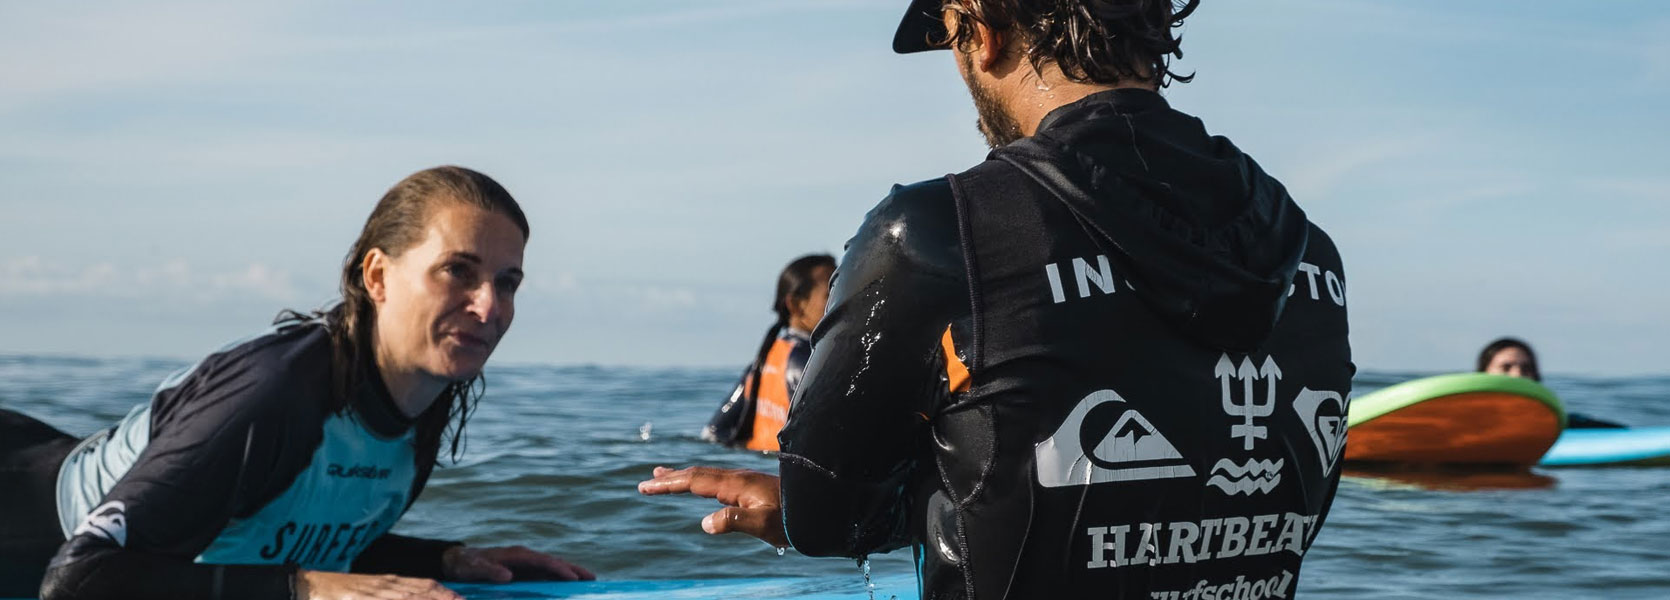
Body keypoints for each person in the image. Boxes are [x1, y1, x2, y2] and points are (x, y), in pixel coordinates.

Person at [641, 1, 1355, 598]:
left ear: (982, 29)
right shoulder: (1307, 252)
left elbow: (828, 519)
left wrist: (808, 505)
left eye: (948, 35)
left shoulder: (938, 233)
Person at [0, 166, 594, 600]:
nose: (489, 306)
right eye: (457, 272)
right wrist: (305, 590)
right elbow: (79, 579)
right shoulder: (274, 393)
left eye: (507, 282)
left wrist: (448, 559)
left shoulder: (427, 394)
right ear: (379, 276)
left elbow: (274, 530)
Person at [701, 254, 836, 451]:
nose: (842, 301)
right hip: (781, 473)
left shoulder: (764, 360)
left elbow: (712, 433)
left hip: (760, 467)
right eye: (830, 294)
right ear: (796, 305)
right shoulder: (808, 362)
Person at [1477, 337, 1624, 429]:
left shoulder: (1552, 421)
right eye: (1506, 367)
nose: (1518, 375)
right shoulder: (1467, 415)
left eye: (1526, 368)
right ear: (1484, 373)